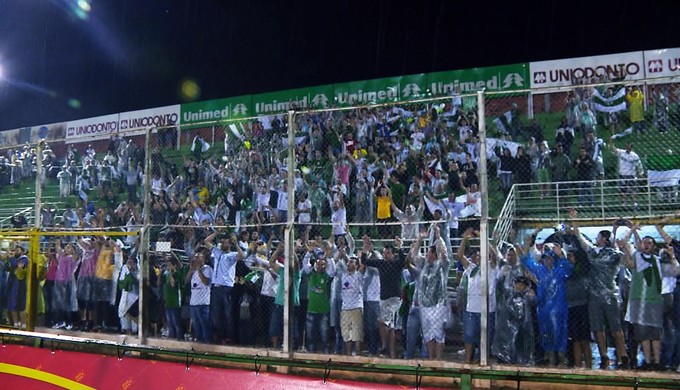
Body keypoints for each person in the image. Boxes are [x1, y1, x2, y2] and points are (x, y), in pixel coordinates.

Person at [569, 208, 631, 369]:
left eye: (598, 236)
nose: (596, 239)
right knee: (598, 328)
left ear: (604, 239)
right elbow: (579, 236)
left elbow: (629, 262)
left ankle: (623, 355)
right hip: (595, 295)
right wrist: (574, 220)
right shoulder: (593, 251)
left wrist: (625, 235)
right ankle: (604, 356)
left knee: (616, 327)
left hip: (610, 295)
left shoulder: (614, 254)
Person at [622, 227, 680, 370]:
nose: (646, 245)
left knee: (655, 334)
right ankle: (648, 361)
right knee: (643, 335)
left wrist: (672, 256)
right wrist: (632, 230)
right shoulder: (637, 257)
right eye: (644, 242)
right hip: (638, 301)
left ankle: (657, 361)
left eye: (649, 243)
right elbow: (624, 244)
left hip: (654, 301)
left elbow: (675, 271)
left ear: (653, 246)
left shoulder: (658, 261)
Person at [521, 242, 573, 367]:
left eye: (550, 258)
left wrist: (561, 255)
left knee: (560, 334)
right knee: (546, 334)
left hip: (559, 309)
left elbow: (569, 268)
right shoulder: (540, 270)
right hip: (544, 309)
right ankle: (551, 361)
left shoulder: (560, 270)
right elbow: (526, 261)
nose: (547, 261)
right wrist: (526, 245)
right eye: (545, 258)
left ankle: (562, 360)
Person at [361, 237, 407, 359]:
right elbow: (365, 261)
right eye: (384, 253)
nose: (386, 255)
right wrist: (365, 249)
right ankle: (388, 350)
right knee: (387, 325)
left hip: (395, 298)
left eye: (388, 253)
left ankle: (387, 348)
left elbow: (403, 260)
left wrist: (400, 247)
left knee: (387, 324)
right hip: (384, 298)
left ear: (393, 254)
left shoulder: (396, 264)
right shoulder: (381, 264)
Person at [457, 228, 498, 364]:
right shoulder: (472, 268)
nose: (480, 256)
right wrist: (464, 239)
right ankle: (468, 361)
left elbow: (494, 257)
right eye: (478, 254)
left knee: (485, 338)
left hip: (487, 309)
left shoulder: (491, 267)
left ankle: (482, 362)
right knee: (469, 337)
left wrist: (483, 239)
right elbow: (460, 256)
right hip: (472, 309)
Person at [408, 226, 449, 360]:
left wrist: (438, 237)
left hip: (438, 305)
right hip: (425, 306)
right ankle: (431, 359)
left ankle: (438, 359)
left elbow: (445, 255)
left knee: (438, 334)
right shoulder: (424, 264)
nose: (427, 255)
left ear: (434, 254)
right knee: (428, 334)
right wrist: (420, 239)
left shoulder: (441, 265)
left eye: (430, 253)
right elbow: (414, 256)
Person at [204, 230, 245, 344]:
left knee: (227, 314)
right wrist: (216, 233)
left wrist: (236, 243)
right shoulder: (217, 252)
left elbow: (242, 256)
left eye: (225, 242)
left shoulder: (231, 255)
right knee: (216, 314)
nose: (222, 244)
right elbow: (206, 241)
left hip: (226, 287)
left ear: (229, 244)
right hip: (216, 287)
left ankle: (229, 337)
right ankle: (219, 335)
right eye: (221, 242)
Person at [302, 248, 335, 353]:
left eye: (322, 265)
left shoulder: (327, 276)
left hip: (323, 311)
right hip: (311, 310)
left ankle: (326, 357)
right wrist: (309, 252)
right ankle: (311, 356)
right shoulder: (311, 274)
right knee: (310, 337)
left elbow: (332, 270)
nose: (320, 266)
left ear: (325, 266)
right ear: (315, 265)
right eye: (318, 264)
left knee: (325, 338)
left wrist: (329, 257)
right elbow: (305, 264)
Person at [185, 251, 212, 343]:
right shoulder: (193, 270)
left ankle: (207, 343)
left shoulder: (207, 269)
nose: (195, 259)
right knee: (196, 325)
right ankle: (199, 342)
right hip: (193, 302)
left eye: (198, 257)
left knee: (204, 324)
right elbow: (186, 281)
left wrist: (199, 270)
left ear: (203, 259)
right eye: (195, 257)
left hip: (203, 302)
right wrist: (191, 269)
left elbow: (206, 282)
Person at [609, 140, 642, 207]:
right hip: (622, 174)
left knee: (632, 190)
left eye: (629, 146)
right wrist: (612, 142)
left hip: (631, 175)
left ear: (631, 147)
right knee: (623, 190)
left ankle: (634, 203)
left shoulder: (635, 156)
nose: (627, 147)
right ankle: (624, 203)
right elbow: (613, 149)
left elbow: (639, 165)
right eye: (627, 146)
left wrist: (641, 173)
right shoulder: (621, 152)